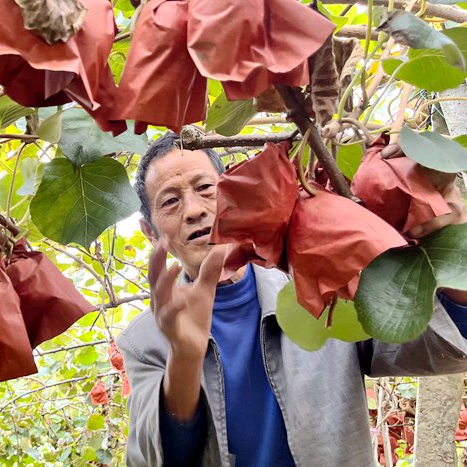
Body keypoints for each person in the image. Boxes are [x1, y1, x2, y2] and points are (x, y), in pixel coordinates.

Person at [115, 132, 467, 467]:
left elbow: (449, 349)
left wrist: (451, 235)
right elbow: (152, 458)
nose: (193, 209)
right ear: (150, 231)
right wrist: (184, 361)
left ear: (230, 196)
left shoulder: (316, 280)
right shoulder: (144, 341)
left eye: (205, 188)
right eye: (171, 201)